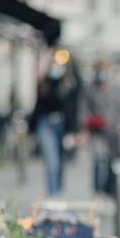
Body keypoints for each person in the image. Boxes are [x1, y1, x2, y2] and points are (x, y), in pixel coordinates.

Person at [30, 48, 81, 196]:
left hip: (63, 125)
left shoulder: (70, 81)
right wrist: (31, 130)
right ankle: (52, 194)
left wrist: (74, 131)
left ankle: (58, 190)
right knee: (52, 161)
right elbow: (38, 105)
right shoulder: (45, 80)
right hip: (45, 123)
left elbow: (74, 106)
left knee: (60, 161)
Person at [86, 63, 120, 196]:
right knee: (99, 160)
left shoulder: (117, 89)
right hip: (98, 131)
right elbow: (85, 109)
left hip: (114, 132)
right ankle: (98, 190)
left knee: (112, 162)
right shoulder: (91, 89)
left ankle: (110, 190)